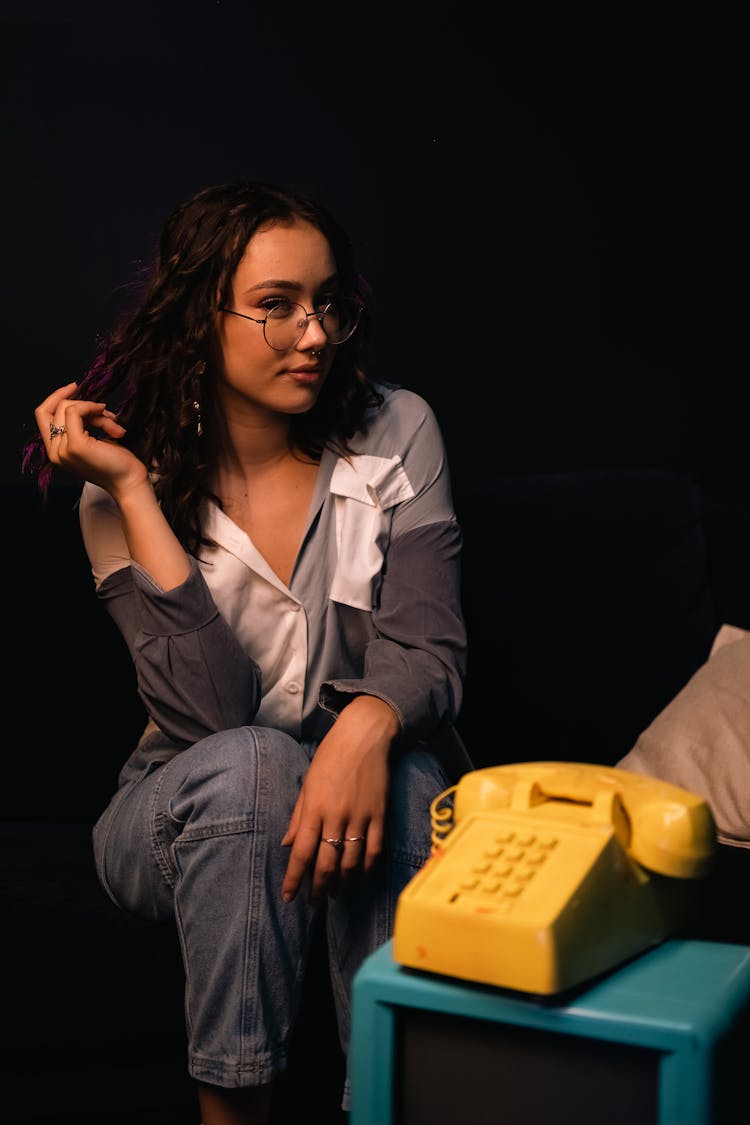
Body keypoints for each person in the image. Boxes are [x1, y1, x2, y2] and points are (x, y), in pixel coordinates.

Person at [25, 179, 470, 1124]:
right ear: (203, 314)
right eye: (276, 308)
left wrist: (364, 727)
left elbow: (428, 649)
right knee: (255, 762)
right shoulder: (120, 482)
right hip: (181, 805)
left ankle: (385, 1103)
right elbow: (211, 718)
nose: (314, 335)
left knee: (404, 772)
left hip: (371, 786)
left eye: (327, 305)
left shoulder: (398, 431)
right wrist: (137, 495)